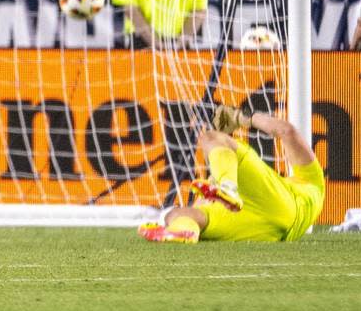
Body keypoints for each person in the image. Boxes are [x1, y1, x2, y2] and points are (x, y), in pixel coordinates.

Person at [139, 104, 325, 243]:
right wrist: (243, 117)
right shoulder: (312, 182)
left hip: (265, 227)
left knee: (181, 213)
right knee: (210, 138)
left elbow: (287, 132)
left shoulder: (305, 182)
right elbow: (287, 131)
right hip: (278, 223)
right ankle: (181, 232)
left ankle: (186, 222)